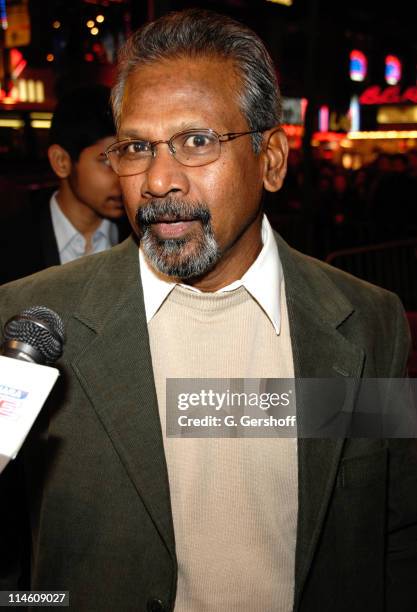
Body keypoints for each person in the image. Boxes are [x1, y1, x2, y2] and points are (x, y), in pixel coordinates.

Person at [0, 9, 416, 612]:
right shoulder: (35, 323)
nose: (159, 179)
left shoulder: (365, 321)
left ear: (271, 158)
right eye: (137, 146)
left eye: (196, 141)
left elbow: (393, 534)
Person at [0, 84, 130, 285]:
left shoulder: (143, 238)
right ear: (61, 161)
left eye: (129, 155)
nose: (123, 175)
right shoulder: (12, 245)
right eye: (106, 161)